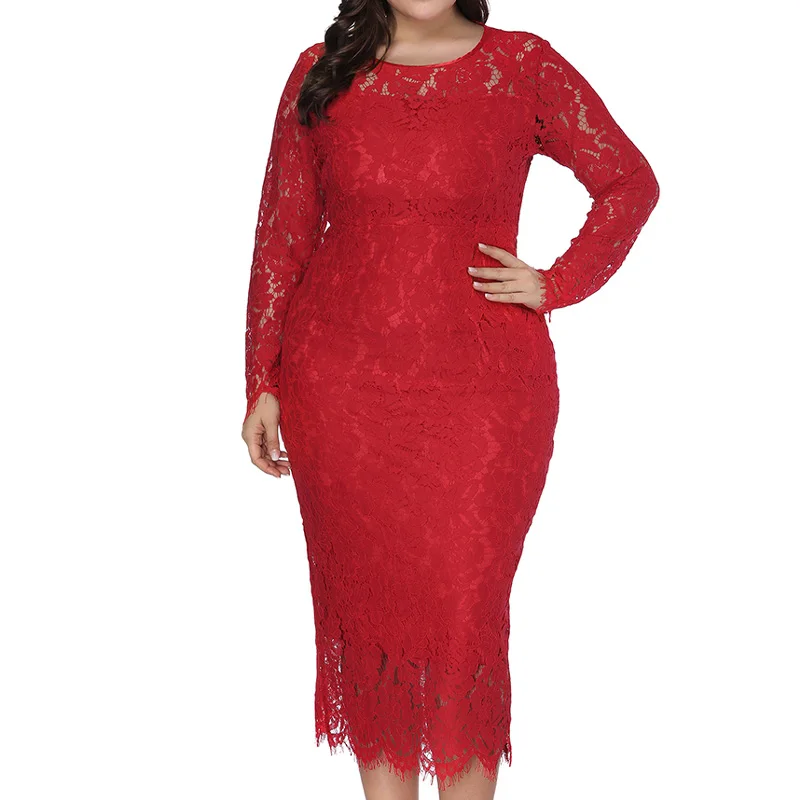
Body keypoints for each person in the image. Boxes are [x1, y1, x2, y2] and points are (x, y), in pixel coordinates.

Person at [241, 2, 659, 798]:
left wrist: (557, 283)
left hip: (485, 392)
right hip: (340, 388)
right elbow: (283, 231)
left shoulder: (524, 65)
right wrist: (261, 376)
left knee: (466, 620)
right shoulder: (319, 71)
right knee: (370, 621)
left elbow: (628, 182)